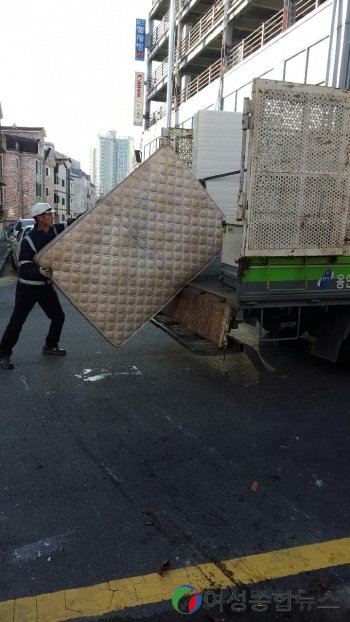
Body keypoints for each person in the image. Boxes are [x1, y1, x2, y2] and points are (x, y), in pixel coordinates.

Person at [0, 203, 70, 370]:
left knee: (58, 317)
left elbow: (74, 223)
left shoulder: (55, 230)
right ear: (40, 218)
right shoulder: (29, 240)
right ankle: (3, 354)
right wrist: (39, 271)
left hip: (45, 287)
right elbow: (24, 267)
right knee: (17, 322)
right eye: (49, 214)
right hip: (28, 289)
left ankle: (50, 345)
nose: (53, 216)